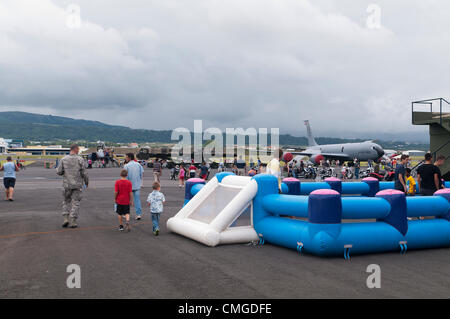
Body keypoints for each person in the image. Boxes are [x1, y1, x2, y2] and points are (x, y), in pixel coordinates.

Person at [56, 144, 89, 228]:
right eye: (78, 149)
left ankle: (65, 218)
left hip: (66, 184)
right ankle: (73, 220)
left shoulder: (63, 159)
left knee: (66, 201)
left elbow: (59, 171)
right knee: (76, 202)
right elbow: (84, 173)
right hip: (77, 185)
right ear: (76, 149)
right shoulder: (80, 159)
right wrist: (86, 182)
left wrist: (66, 173)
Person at [124, 153, 144, 220]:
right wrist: (140, 182)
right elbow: (141, 174)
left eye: (126, 157)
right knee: (137, 200)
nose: (126, 158)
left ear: (129, 158)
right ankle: (138, 214)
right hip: (137, 185)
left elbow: (125, 177)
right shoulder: (138, 164)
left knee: (127, 200)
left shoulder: (126, 166)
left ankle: (125, 213)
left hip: (128, 185)